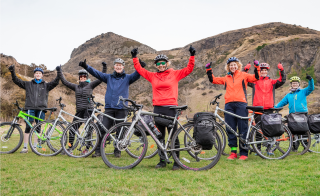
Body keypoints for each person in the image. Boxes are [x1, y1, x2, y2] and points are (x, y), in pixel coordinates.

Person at [132, 46, 196, 170]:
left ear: (167, 64)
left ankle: (176, 161)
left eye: (163, 63)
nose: (161, 65)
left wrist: (192, 56)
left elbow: (189, 69)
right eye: (158, 64)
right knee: (159, 135)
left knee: (173, 136)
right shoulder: (152, 76)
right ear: (156, 65)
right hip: (158, 108)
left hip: (171, 108)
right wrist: (135, 58)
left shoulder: (174, 74)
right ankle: (162, 160)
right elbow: (140, 70)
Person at [79, 58, 143, 157]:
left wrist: (141, 66)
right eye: (116, 65)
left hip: (122, 108)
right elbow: (97, 73)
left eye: (120, 65)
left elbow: (137, 74)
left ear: (123, 67)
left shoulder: (127, 78)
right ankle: (98, 150)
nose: (118, 66)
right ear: (114, 66)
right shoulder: (109, 77)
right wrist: (86, 67)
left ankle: (117, 150)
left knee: (120, 130)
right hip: (109, 108)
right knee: (103, 128)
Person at [205, 57, 260, 160]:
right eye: (231, 65)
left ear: (238, 65)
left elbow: (256, 78)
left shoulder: (244, 75)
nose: (233, 66)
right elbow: (213, 80)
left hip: (241, 104)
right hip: (229, 105)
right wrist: (209, 70)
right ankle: (233, 152)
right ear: (228, 67)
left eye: (234, 64)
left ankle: (244, 153)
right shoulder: (226, 78)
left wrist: (257, 67)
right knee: (230, 128)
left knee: (243, 128)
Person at [56, 62, 106, 155]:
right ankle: (70, 148)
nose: (82, 78)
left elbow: (100, 79)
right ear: (79, 78)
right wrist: (59, 72)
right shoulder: (76, 87)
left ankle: (86, 149)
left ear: (86, 77)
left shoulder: (90, 85)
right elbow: (65, 82)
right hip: (79, 111)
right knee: (72, 129)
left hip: (88, 110)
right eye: (81, 77)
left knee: (88, 130)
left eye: (84, 76)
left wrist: (104, 68)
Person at [8, 65, 59, 153]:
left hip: (41, 109)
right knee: (28, 127)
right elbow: (16, 81)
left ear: (42, 75)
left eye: (39, 73)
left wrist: (59, 73)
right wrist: (12, 71)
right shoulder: (28, 84)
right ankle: (25, 148)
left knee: (38, 128)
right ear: (34, 75)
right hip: (30, 108)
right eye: (36, 73)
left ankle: (35, 147)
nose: (38, 74)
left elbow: (55, 82)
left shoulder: (46, 85)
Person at [275, 75, 314, 151]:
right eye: (293, 83)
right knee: (292, 131)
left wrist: (311, 80)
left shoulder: (303, 91)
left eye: (296, 83)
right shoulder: (289, 95)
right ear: (291, 84)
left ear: (299, 84)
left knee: (304, 131)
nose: (295, 84)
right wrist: (274, 107)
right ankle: (294, 147)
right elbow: (282, 103)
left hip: (302, 113)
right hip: (293, 115)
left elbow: (311, 88)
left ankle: (306, 147)